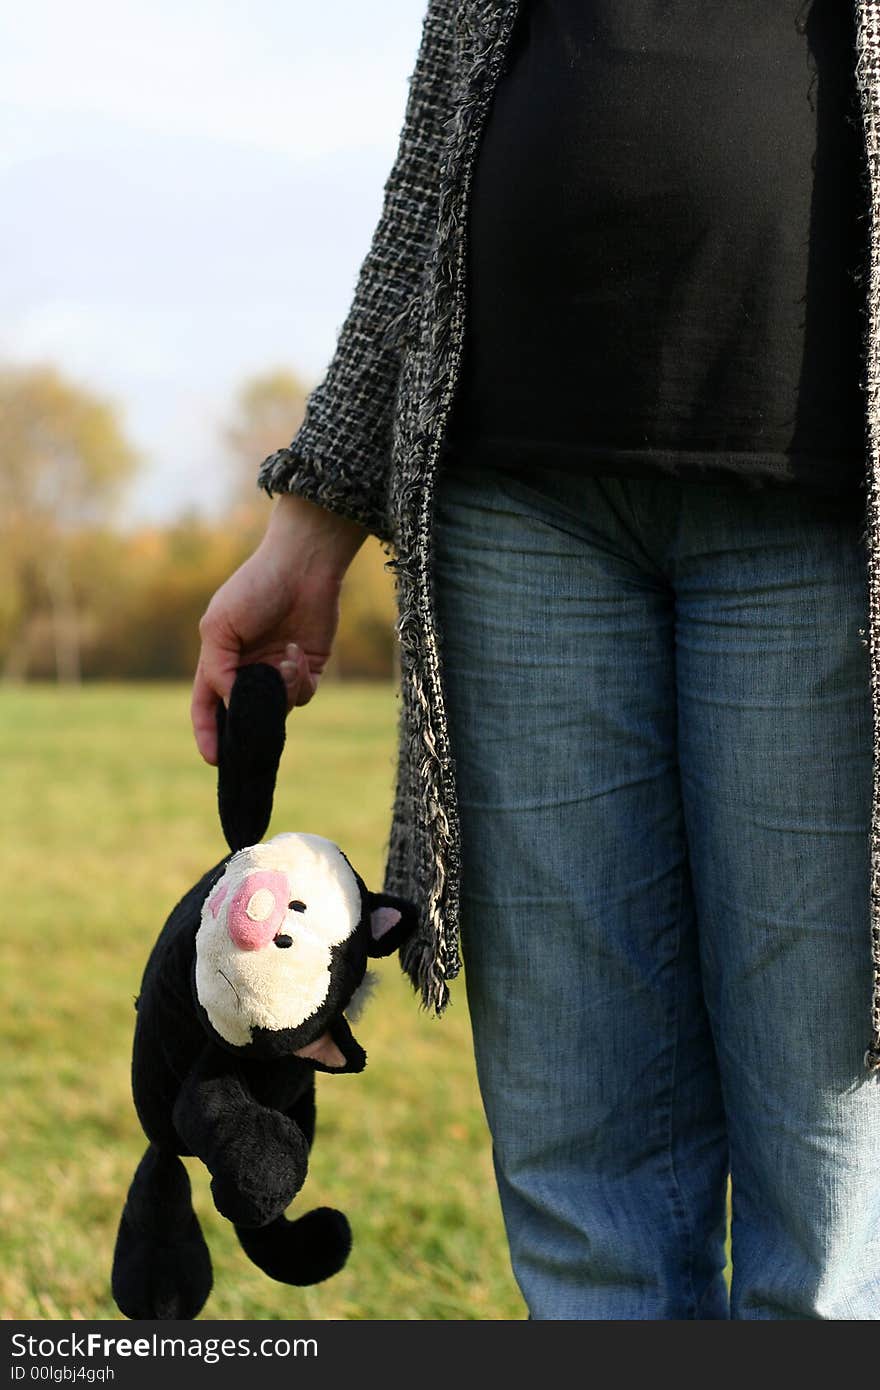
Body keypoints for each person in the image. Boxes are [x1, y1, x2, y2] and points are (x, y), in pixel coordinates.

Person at [192, 1, 880, 1319]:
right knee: (582, 1176)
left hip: (823, 514)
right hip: (518, 516)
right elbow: (427, 189)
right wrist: (314, 511)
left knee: (834, 1177)